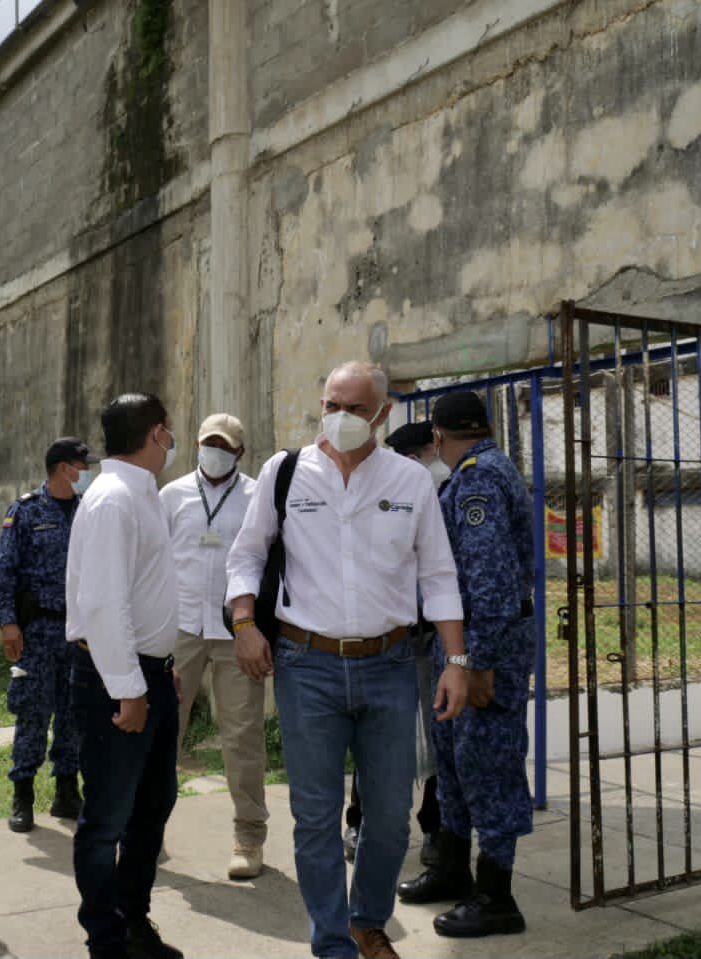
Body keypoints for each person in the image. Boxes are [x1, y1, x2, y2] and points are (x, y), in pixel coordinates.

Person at [225, 361, 469, 959]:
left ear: (383, 415)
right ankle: (333, 942)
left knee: (390, 817)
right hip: (306, 666)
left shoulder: (411, 483)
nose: (341, 416)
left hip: (389, 666)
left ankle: (367, 920)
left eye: (356, 408)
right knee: (314, 816)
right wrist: (243, 624)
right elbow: (245, 557)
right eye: (333, 402)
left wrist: (457, 659)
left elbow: (438, 575)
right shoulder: (284, 473)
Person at [397, 391, 535, 939]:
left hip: (481, 651)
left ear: (437, 436)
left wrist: (472, 660)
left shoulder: (478, 480)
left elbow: (490, 580)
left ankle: (497, 895)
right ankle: (451, 870)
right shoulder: (482, 471)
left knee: (490, 770)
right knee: (454, 763)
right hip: (463, 647)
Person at [66, 393, 183, 959]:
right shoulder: (113, 499)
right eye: (170, 432)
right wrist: (130, 689)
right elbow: (102, 605)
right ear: (157, 434)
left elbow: (145, 595)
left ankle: (133, 921)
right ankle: (107, 940)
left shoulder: (143, 494)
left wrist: (163, 670)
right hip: (119, 679)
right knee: (108, 816)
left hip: (152, 674)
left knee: (153, 806)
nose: (172, 441)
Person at [159, 413, 267, 880]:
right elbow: (155, 558)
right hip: (179, 626)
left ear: (239, 453)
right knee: (164, 730)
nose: (214, 451)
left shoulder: (257, 495)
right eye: (207, 442)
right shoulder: (173, 495)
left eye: (223, 445)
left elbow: (267, 556)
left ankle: (249, 835)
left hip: (234, 630)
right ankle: (148, 829)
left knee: (241, 733)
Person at [342, 421, 451, 867]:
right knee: (376, 739)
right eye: (430, 451)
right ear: (413, 458)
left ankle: (436, 827)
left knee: (439, 736)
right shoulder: (374, 503)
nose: (436, 461)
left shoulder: (443, 496)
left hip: (431, 637)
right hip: (388, 643)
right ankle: (360, 822)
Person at [0, 437, 98, 832]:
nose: (88, 474)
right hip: (39, 630)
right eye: (82, 467)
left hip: (81, 630)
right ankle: (23, 793)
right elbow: (4, 573)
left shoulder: (91, 510)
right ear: (64, 468)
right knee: (33, 712)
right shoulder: (27, 511)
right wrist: (8, 624)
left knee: (75, 714)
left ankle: (67, 791)